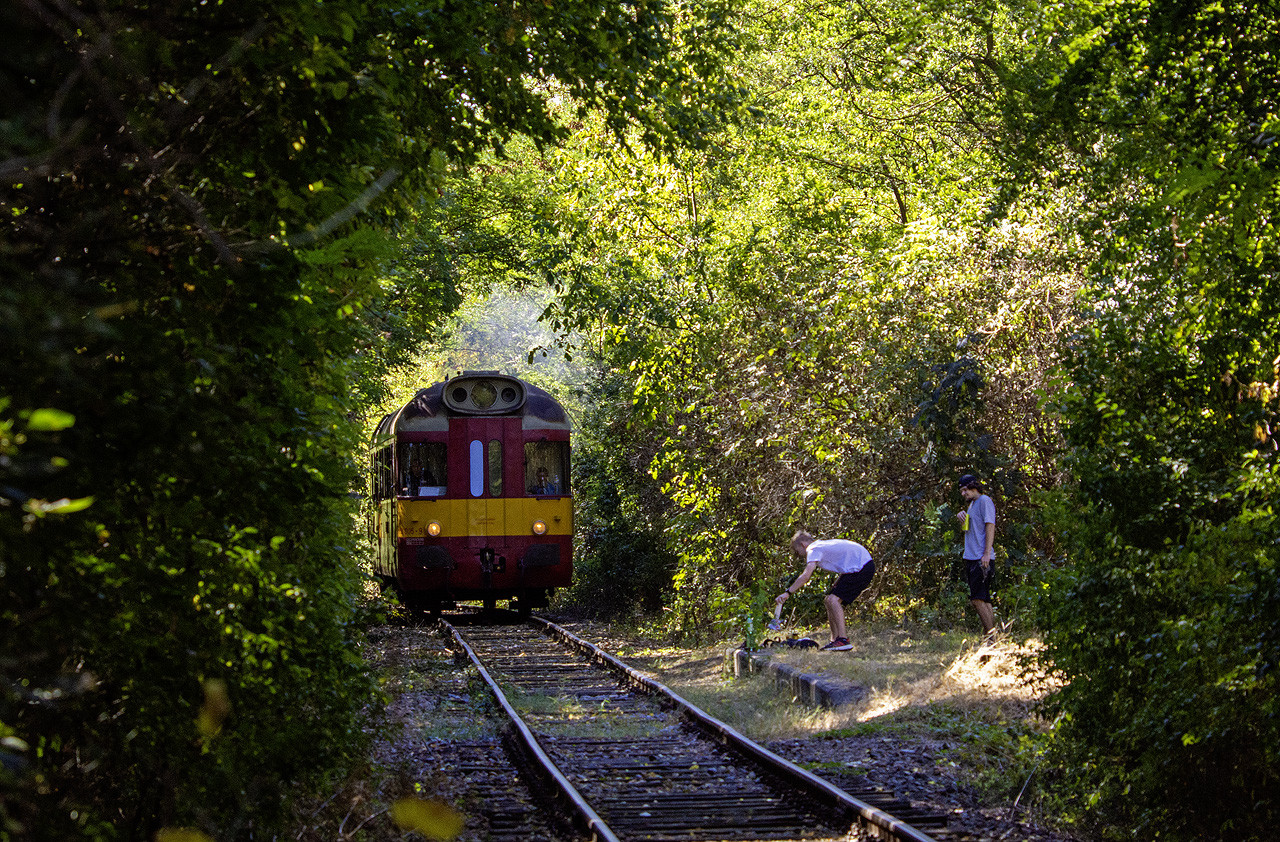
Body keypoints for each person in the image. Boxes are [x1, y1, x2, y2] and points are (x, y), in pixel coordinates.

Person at [775, 530, 876, 651]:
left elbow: (806, 576)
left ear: (802, 544)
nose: (800, 555)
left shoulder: (813, 549)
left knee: (833, 600)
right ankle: (834, 640)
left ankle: (843, 639)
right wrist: (839, 581)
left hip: (862, 567)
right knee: (828, 600)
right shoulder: (821, 545)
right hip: (858, 566)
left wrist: (788, 592)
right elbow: (846, 561)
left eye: (798, 552)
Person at [955, 473, 997, 637]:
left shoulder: (984, 501)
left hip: (981, 558)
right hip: (972, 556)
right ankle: (992, 640)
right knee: (984, 599)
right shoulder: (972, 505)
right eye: (962, 492)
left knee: (977, 599)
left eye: (965, 490)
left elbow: (990, 526)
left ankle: (992, 637)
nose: (964, 494)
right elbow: (971, 531)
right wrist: (962, 519)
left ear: (974, 487)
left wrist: (986, 554)